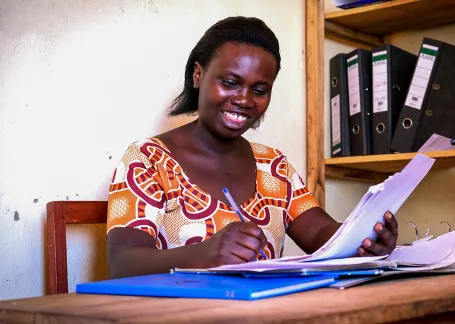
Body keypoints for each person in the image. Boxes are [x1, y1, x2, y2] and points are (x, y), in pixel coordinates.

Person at [105, 16, 398, 279]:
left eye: (259, 90)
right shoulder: (147, 159)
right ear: (198, 75)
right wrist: (205, 254)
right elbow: (124, 262)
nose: (244, 100)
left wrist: (365, 239)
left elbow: (320, 232)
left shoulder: (273, 166)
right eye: (231, 82)